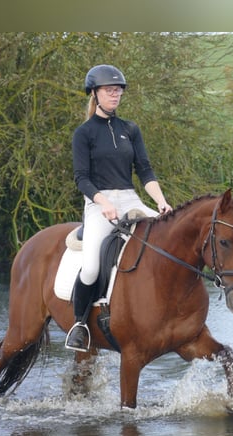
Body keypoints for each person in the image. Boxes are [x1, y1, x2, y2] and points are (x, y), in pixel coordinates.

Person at [65, 64, 172, 352]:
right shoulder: (83, 133)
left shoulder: (130, 129)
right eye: (109, 90)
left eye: (118, 90)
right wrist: (103, 203)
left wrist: (161, 202)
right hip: (99, 203)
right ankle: (80, 324)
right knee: (90, 267)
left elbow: (145, 171)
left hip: (131, 199)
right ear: (95, 94)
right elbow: (81, 179)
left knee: (171, 236)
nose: (115, 94)